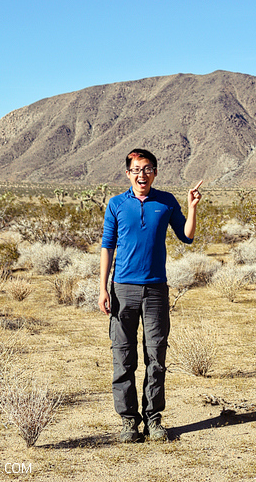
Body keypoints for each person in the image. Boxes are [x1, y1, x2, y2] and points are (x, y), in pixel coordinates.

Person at [99, 147, 202, 443]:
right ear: (128, 173)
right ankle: (129, 421)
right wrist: (102, 288)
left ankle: (153, 420)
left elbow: (187, 236)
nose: (142, 174)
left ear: (155, 172)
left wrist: (192, 207)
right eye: (136, 169)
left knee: (156, 356)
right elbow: (107, 246)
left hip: (156, 290)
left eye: (147, 169)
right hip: (122, 290)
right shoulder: (116, 204)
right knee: (123, 357)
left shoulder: (166, 201)